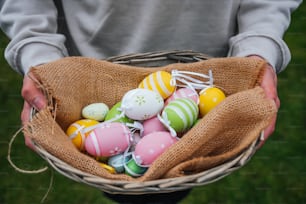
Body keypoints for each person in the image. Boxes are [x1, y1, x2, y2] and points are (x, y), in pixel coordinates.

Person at [0, 0, 302, 203]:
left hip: (212, 70)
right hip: (93, 72)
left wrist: (260, 43)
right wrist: (38, 52)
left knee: (163, 188)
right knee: (137, 187)